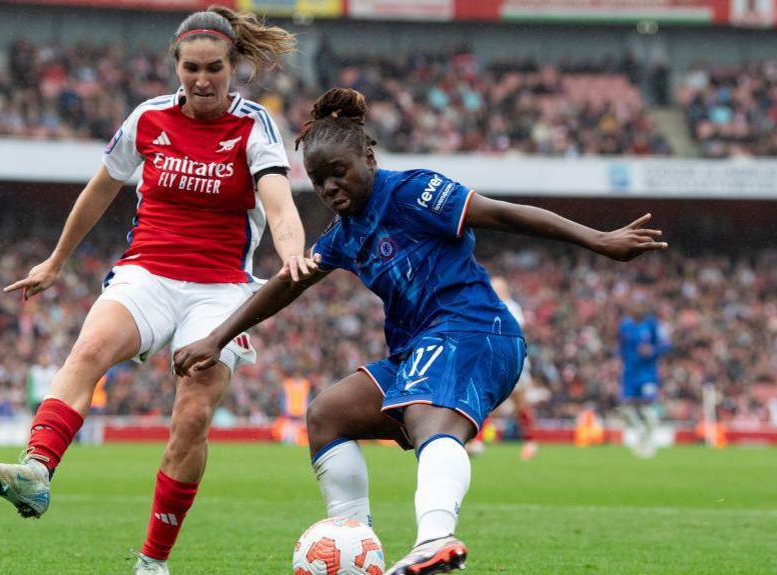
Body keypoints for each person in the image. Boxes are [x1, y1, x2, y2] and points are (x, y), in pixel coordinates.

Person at [173, 88, 667, 575]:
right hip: (420, 349)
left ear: (367, 156)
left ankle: (436, 539)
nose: (329, 189)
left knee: (427, 414)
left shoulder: (414, 191)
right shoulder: (344, 234)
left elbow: (504, 214)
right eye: (319, 181)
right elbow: (287, 284)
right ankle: (355, 548)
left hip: (477, 331)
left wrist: (598, 239)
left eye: (338, 173)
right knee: (327, 414)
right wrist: (216, 338)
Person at [0, 8, 310, 575]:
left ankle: (153, 561)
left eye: (215, 69)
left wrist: (292, 251)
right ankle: (35, 472)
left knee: (194, 411)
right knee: (91, 348)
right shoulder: (148, 118)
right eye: (192, 68)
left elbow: (279, 202)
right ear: (175, 65)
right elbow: (100, 189)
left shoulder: (255, 127)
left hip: (220, 288)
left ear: (234, 68)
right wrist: (56, 261)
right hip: (146, 272)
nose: (203, 80)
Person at [466, 277, 539, 460]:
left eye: (498, 288)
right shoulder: (487, 306)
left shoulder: (512, 308)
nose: (494, 290)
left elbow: (513, 331)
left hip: (514, 361)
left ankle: (530, 441)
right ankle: (477, 441)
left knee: (520, 402)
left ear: (505, 290)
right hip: (493, 362)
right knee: (486, 400)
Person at [619, 294, 671, 458]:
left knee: (648, 407)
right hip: (629, 373)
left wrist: (653, 350)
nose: (637, 309)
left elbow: (666, 344)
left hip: (647, 373)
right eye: (634, 305)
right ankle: (641, 433)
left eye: (640, 306)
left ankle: (649, 444)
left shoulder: (652, 324)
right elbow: (621, 346)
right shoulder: (625, 325)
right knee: (626, 409)